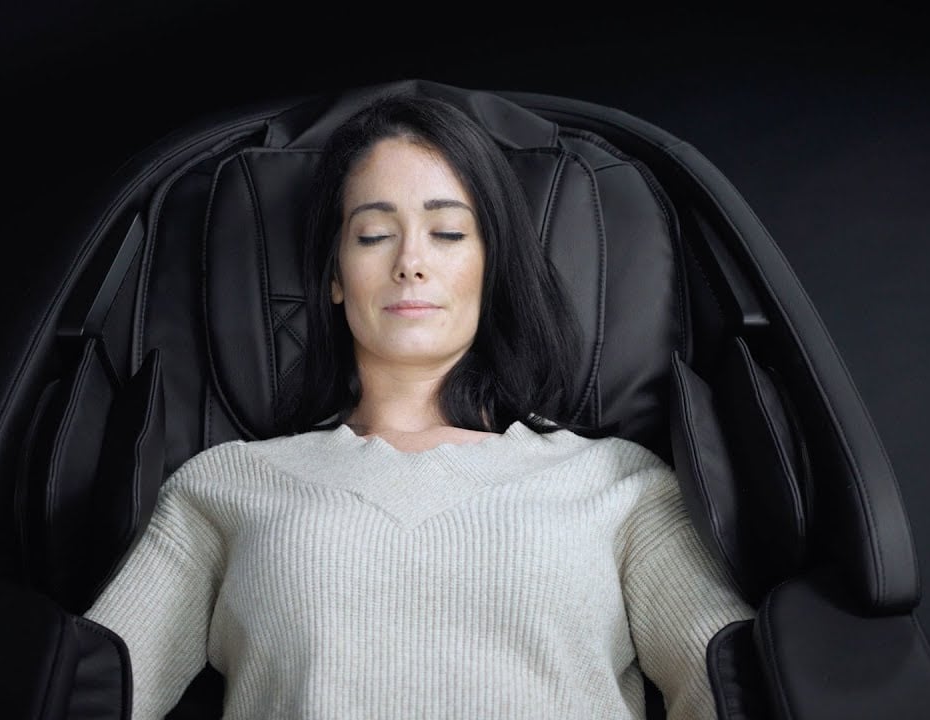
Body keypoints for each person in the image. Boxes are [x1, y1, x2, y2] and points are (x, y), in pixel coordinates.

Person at [83, 91, 754, 719]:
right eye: (374, 235)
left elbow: (736, 690)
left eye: (449, 234)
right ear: (336, 279)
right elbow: (92, 692)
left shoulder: (621, 485)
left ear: (493, 270)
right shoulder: (222, 486)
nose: (410, 261)